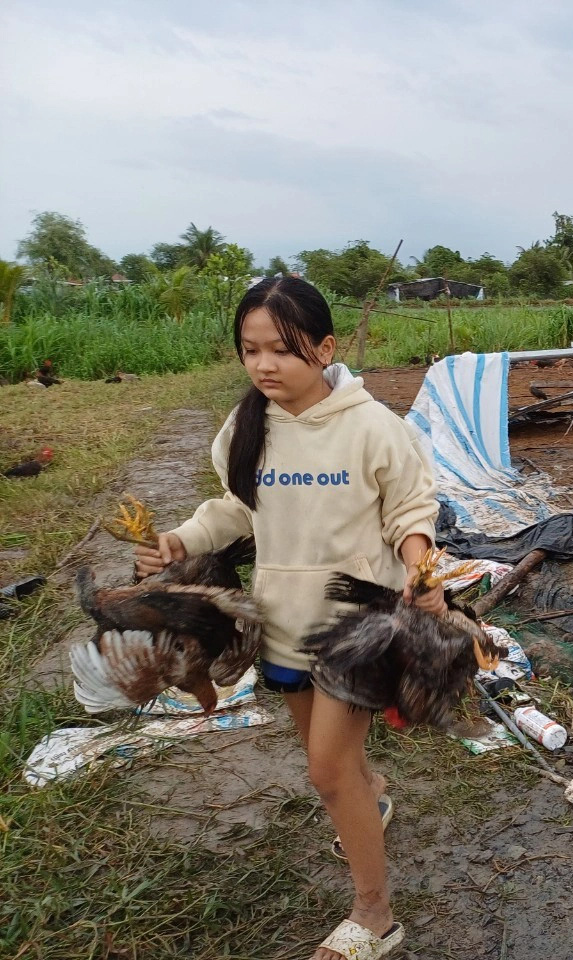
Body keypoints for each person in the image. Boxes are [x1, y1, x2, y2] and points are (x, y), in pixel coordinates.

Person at [134, 277, 440, 960]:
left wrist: (420, 564)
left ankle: (375, 914)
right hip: (283, 620)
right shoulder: (248, 426)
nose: (265, 365)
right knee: (334, 763)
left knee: (327, 772)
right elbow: (237, 509)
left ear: (325, 348)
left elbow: (410, 513)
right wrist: (181, 540)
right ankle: (374, 797)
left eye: (282, 349)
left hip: (357, 624)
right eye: (250, 350)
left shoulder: (373, 429)